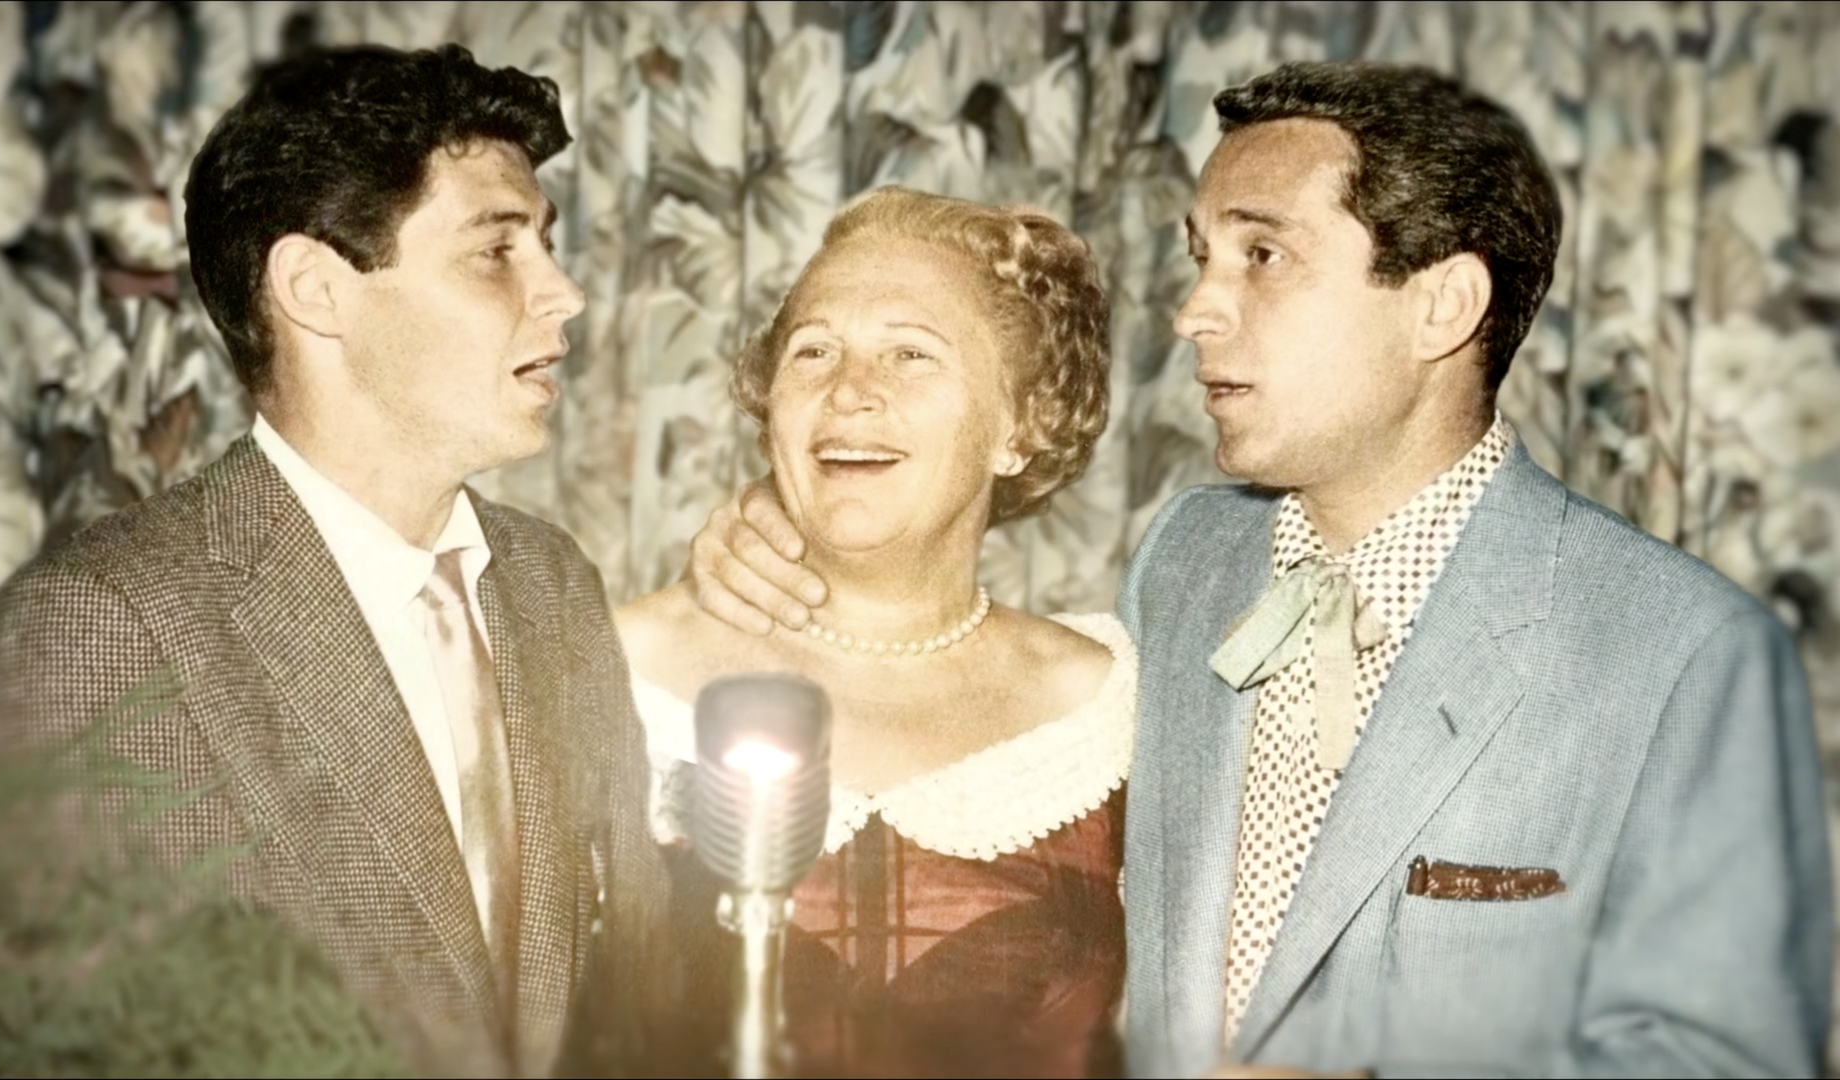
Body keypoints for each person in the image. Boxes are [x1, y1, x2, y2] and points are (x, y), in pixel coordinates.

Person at [686, 62, 1834, 1077]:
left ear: (1444, 304)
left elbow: (1729, 1053)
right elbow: (972, 676)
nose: (1194, 311)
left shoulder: (1684, 652)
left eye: (1263, 255)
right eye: (1201, 258)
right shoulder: (1189, 562)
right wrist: (798, 525)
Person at [0, 44, 667, 1079]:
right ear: (316, 290)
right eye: (496, 251)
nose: (564, 295)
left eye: (544, 247)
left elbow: (635, 995)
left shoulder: (553, 584)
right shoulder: (96, 630)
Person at [615, 186, 1133, 1078]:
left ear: (1025, 423)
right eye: (812, 351)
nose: (850, 392)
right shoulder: (618, 668)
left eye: (911, 354)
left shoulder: (1111, 705)